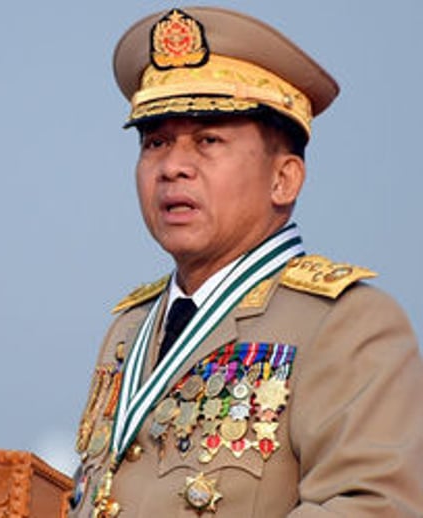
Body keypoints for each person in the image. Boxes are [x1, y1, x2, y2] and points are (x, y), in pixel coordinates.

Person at [69, 6, 423, 517]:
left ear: (284, 179)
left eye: (208, 141)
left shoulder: (346, 323)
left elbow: (371, 506)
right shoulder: (130, 328)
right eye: (155, 142)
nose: (172, 167)